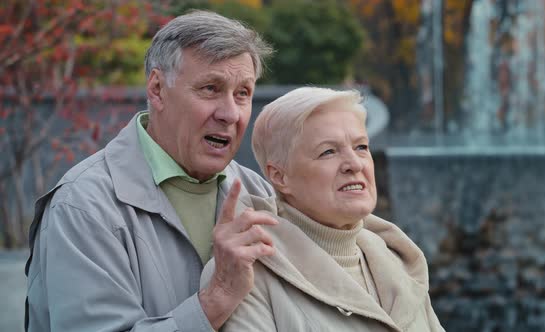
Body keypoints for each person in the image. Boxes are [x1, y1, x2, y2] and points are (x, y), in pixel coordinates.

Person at [25, 10, 279, 331]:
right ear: (157, 89)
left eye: (242, 93)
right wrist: (217, 297)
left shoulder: (260, 192)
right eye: (211, 89)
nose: (230, 113)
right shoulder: (83, 206)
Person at [201, 87, 446, 331]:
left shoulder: (400, 260)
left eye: (361, 147)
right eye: (328, 151)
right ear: (280, 176)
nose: (354, 164)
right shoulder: (241, 272)